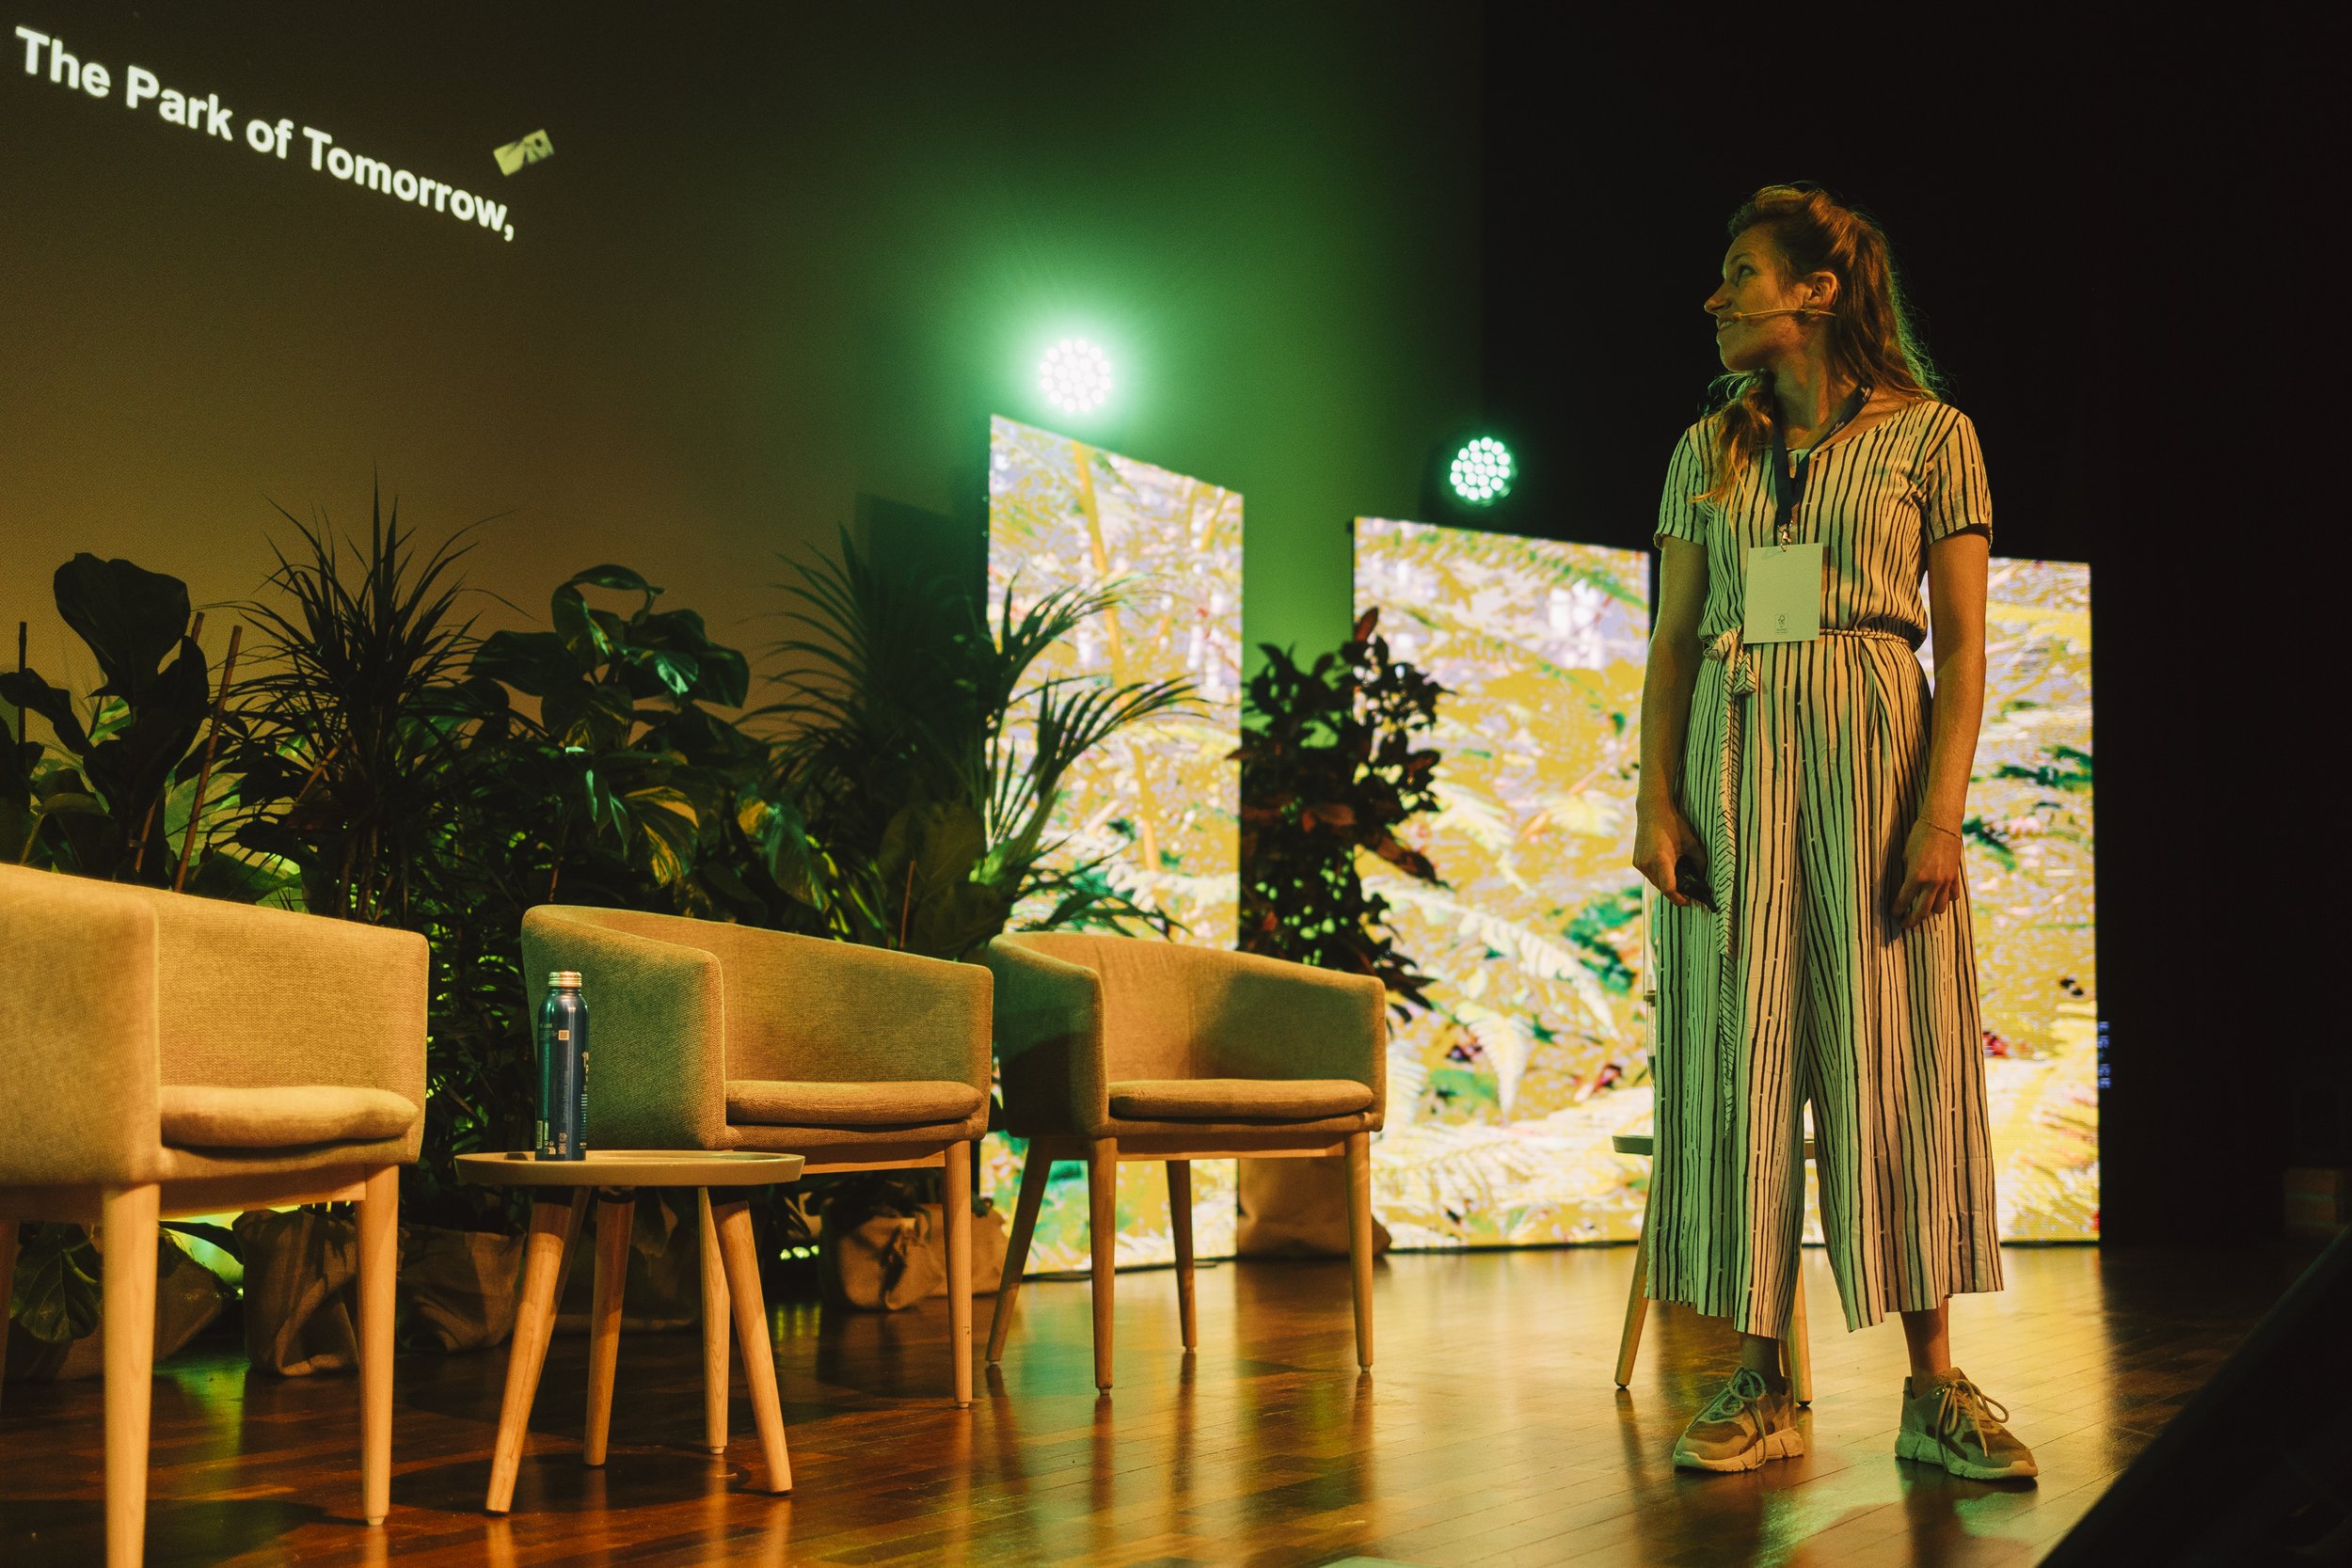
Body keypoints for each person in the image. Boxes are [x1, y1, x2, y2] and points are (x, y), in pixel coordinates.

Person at [1631, 182, 2036, 1481]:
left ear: (1817, 290)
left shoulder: (1934, 437)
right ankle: (1762, 1382)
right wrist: (1654, 798)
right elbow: (1674, 638)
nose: (1716, 295)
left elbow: (1964, 647)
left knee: (1896, 1062)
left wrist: (1938, 816)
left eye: (1742, 271)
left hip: (1875, 762)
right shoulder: (1708, 451)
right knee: (1740, 1065)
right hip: (1734, 758)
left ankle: (1934, 1388)